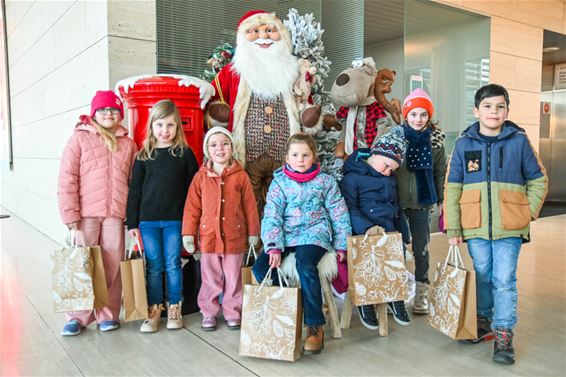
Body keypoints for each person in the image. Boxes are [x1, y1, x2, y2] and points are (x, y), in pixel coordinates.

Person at [445, 84, 548, 364]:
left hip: (510, 228)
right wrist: (454, 228)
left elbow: (538, 180)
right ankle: (483, 318)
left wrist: (526, 213)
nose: (494, 112)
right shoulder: (464, 144)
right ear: (476, 110)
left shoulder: (519, 141)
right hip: (475, 225)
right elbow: (453, 187)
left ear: (506, 111)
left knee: (504, 280)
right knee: (482, 274)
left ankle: (503, 333)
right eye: (488, 106)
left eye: (500, 106)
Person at [206, 10, 321, 216]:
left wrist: (309, 117)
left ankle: (281, 240)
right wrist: (218, 114)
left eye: (270, 30)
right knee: (248, 199)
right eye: (255, 31)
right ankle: (254, 240)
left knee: (283, 198)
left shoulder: (292, 69)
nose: (263, 36)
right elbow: (213, 96)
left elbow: (304, 99)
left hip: (285, 154)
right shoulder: (233, 71)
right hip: (247, 154)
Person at [252, 133, 351, 355]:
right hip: (286, 235)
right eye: (295, 155)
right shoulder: (280, 183)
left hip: (314, 234)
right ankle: (292, 309)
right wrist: (274, 246)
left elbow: (338, 212)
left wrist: (342, 244)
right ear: (287, 157)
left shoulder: (325, 181)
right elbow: (272, 216)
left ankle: (315, 326)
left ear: (313, 156)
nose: (301, 159)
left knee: (305, 265)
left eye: (305, 155)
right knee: (260, 269)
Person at [58, 90, 137, 336]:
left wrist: (133, 215)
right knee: (81, 263)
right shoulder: (79, 138)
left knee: (112, 265)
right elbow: (67, 178)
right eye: (103, 110)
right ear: (94, 113)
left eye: (113, 109)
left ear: (120, 114)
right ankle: (77, 317)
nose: (109, 114)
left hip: (115, 212)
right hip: (86, 215)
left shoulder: (128, 143)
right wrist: (70, 216)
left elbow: (135, 181)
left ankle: (108, 314)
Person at [126, 99, 199, 333]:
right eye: (160, 125)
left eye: (170, 126)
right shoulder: (143, 156)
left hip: (175, 221)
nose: (164, 131)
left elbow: (193, 191)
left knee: (173, 264)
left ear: (177, 127)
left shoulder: (185, 154)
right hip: (147, 222)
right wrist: (132, 223)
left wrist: (193, 222)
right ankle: (154, 309)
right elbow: (135, 190)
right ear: (151, 126)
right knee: (154, 266)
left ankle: (174, 307)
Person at [182, 127, 260, 331]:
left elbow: (250, 207)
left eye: (225, 143)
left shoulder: (240, 176)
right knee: (210, 278)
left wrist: (253, 233)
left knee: (233, 278)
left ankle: (233, 311)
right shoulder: (200, 178)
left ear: (232, 148)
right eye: (214, 144)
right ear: (207, 150)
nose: (220, 148)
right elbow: (192, 208)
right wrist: (188, 234)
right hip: (209, 239)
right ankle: (208, 312)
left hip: (235, 237)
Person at [340, 126, 411, 329]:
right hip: (364, 232)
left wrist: (404, 234)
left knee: (398, 255)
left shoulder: (390, 180)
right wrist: (366, 228)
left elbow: (396, 208)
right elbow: (349, 207)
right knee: (366, 258)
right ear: (377, 153)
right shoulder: (353, 177)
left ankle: (396, 299)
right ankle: (366, 303)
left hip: (388, 229)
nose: (388, 172)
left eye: (393, 170)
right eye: (387, 165)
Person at [395, 88, 447, 316]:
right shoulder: (395, 137)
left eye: (423, 114)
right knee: (395, 249)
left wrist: (443, 200)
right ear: (406, 114)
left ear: (429, 116)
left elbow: (439, 172)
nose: (418, 119)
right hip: (395, 202)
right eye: (414, 114)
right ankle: (395, 294)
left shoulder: (436, 141)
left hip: (421, 203)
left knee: (421, 249)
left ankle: (421, 291)